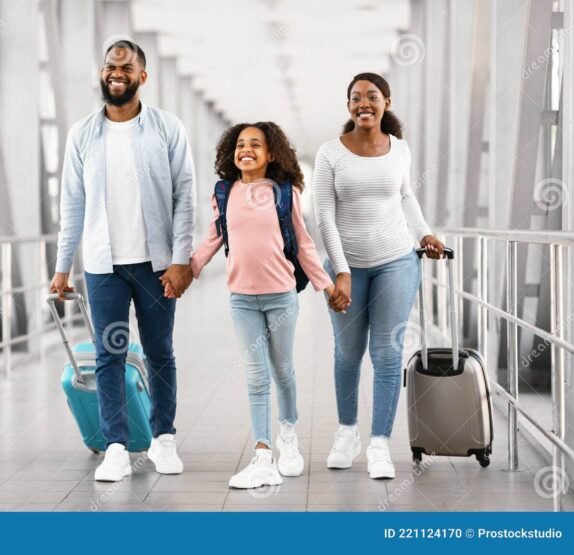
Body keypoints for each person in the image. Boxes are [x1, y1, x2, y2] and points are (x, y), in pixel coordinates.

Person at [49, 39, 195, 483]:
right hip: (102, 266)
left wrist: (181, 259)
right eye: (110, 66)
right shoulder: (82, 134)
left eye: (126, 67)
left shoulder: (168, 128)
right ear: (102, 73)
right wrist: (62, 267)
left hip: (156, 265)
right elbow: (72, 204)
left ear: (141, 77)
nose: (116, 72)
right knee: (109, 355)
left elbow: (185, 196)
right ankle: (114, 445)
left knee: (159, 353)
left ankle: (163, 438)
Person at [184, 122, 336, 489]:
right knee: (255, 376)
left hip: (281, 295)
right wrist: (187, 271)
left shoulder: (284, 193)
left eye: (256, 144)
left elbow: (302, 243)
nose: (246, 149)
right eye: (240, 144)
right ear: (231, 153)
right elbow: (213, 236)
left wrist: (327, 286)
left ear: (271, 154)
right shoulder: (225, 192)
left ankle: (288, 435)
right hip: (241, 299)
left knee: (282, 369)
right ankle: (263, 454)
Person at [312, 72, 444, 480]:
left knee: (387, 354)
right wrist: (342, 271)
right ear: (348, 106)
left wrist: (423, 232)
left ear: (387, 102)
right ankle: (347, 433)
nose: (363, 103)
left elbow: (405, 195)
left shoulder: (399, 150)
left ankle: (379, 444)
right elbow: (324, 217)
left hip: (397, 260)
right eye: (355, 98)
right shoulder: (330, 153)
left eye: (371, 96)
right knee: (348, 354)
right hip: (347, 265)